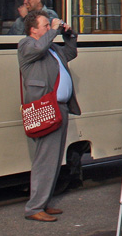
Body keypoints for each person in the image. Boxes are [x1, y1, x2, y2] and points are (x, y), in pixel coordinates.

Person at [18, 11, 79, 222]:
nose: (48, 28)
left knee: (54, 159)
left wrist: (68, 34)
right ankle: (34, 207)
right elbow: (39, 47)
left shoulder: (52, 47)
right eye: (44, 25)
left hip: (59, 107)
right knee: (45, 159)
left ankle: (43, 203)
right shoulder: (26, 45)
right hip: (46, 107)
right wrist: (53, 31)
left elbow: (70, 53)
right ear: (33, 29)